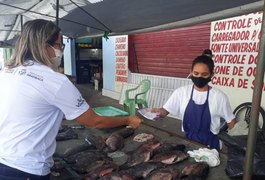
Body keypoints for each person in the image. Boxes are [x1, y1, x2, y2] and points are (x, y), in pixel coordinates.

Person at [0, 19, 142, 180]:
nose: (61, 50)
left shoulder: (7, 72)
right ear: (45, 46)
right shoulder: (54, 80)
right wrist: (129, 119)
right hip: (26, 168)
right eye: (60, 44)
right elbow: (95, 121)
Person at [152, 55, 236, 150]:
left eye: (204, 74)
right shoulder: (181, 92)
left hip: (211, 145)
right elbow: (165, 111)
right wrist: (157, 112)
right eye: (196, 73)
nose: (199, 77)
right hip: (188, 142)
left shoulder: (219, 97)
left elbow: (231, 122)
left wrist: (239, 143)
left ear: (211, 75)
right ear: (191, 73)